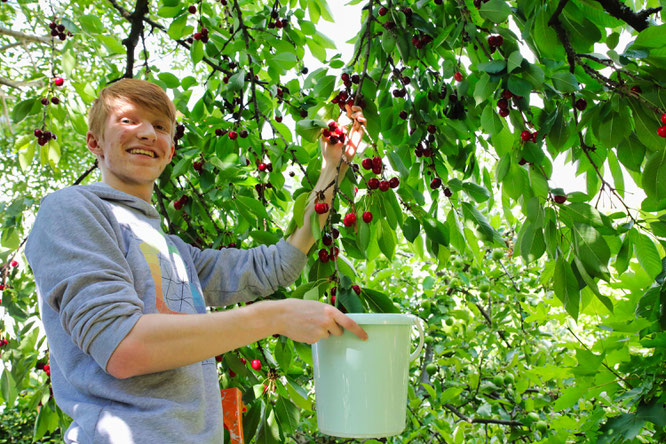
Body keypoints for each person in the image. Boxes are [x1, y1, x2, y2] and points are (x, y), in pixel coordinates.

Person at [25, 78, 368, 444]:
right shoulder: (72, 210)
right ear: (95, 142)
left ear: (170, 150)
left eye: (160, 126)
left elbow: (278, 264)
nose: (146, 133)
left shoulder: (173, 250)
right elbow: (122, 347)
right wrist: (275, 316)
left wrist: (335, 168)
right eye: (128, 120)